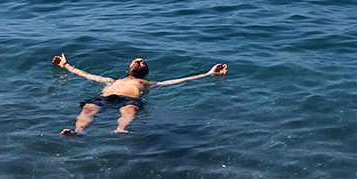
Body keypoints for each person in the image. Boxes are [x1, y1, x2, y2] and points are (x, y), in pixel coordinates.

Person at [52, 53, 228, 135]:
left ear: (145, 72)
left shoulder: (148, 84)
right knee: (88, 109)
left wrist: (209, 74)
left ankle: (120, 128)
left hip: (129, 100)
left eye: (142, 61)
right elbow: (87, 75)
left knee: (130, 110)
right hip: (104, 98)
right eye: (135, 60)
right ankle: (78, 131)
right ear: (128, 69)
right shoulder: (112, 81)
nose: (138, 60)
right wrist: (66, 66)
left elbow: (179, 81)